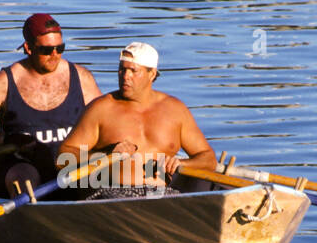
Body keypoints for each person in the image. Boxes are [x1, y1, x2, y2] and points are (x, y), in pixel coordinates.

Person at [0, 14, 101, 197]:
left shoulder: (82, 78)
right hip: (22, 163)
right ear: (28, 48)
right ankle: (27, 213)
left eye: (60, 48)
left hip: (71, 163)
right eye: (47, 50)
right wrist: (4, 140)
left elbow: (104, 120)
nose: (55, 55)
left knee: (103, 178)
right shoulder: (3, 83)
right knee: (24, 180)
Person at [58, 42, 217, 198]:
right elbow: (63, 156)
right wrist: (105, 154)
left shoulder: (175, 110)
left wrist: (182, 164)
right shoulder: (101, 108)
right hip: (111, 192)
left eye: (133, 71)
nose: (126, 76)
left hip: (160, 194)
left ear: (152, 74)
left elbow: (208, 159)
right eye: (122, 70)